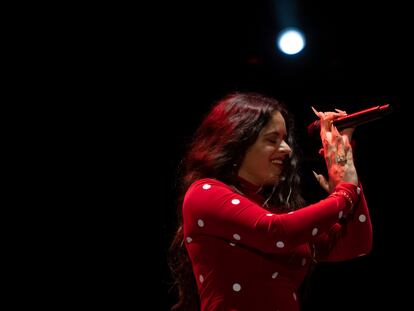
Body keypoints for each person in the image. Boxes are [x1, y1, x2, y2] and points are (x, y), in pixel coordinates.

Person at [168, 92, 372, 311]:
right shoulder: (204, 193)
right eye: (272, 139)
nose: (287, 149)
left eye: (284, 139)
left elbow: (356, 244)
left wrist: (344, 167)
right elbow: (275, 232)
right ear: (238, 141)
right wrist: (344, 194)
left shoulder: (274, 208)